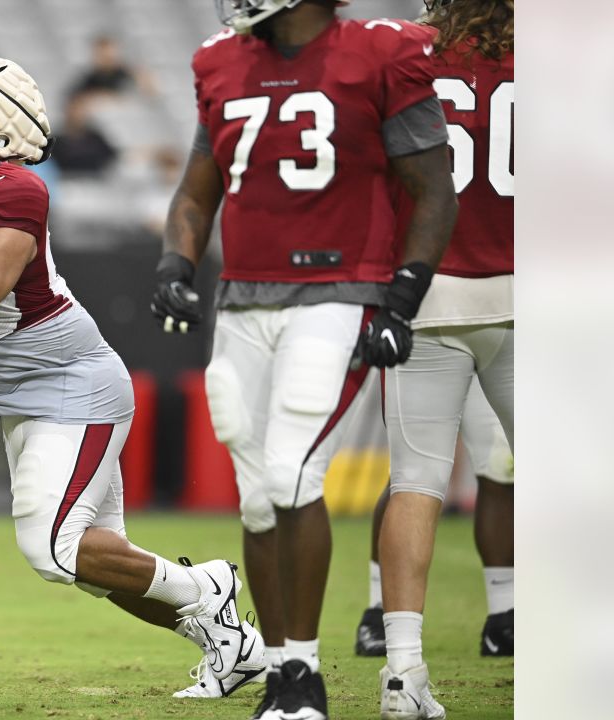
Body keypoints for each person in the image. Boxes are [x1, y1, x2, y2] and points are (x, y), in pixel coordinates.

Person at [0, 57, 259, 686]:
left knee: (54, 547)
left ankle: (208, 585)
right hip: (14, 387)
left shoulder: (13, 192)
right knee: (100, 566)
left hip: (65, 384)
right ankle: (232, 645)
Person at [153, 1, 458, 718]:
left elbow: (432, 187)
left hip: (338, 289)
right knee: (257, 491)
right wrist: (176, 261)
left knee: (292, 471)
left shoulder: (380, 53)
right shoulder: (221, 61)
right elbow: (199, 187)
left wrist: (402, 296)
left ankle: (304, 671)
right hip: (245, 299)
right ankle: (284, 677)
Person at [375, 1, 513, 717]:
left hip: (425, 293)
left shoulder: (404, 54)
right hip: (527, 296)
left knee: (416, 485)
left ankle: (402, 671)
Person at [354, 385, 514, 659]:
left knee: (500, 464)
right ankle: (379, 610)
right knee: (410, 475)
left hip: (491, 345)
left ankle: (503, 617)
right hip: (429, 347)